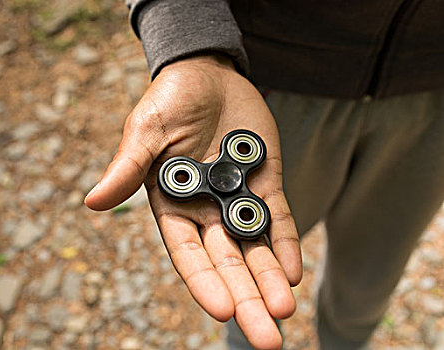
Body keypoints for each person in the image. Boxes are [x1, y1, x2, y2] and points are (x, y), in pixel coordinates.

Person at [85, 1, 444, 349]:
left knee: (371, 272)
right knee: (254, 270)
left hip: (433, 92)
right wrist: (191, 46)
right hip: (266, 85)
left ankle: (349, 342)